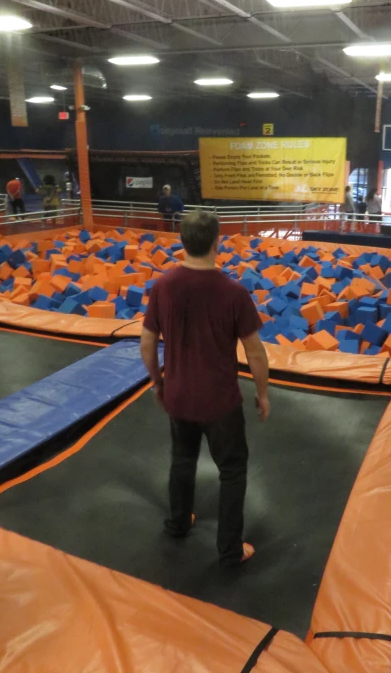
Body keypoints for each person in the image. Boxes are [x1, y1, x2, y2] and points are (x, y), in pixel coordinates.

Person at [140, 210, 270, 567]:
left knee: (182, 459)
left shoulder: (163, 286)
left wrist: (156, 382)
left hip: (178, 396)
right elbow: (255, 351)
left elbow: (147, 344)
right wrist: (262, 394)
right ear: (217, 241)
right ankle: (229, 549)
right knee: (232, 470)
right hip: (219, 402)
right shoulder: (233, 292)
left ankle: (178, 523)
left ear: (182, 242)